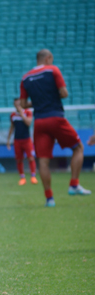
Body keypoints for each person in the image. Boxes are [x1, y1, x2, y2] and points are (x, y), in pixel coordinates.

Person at [20, 49, 90, 207]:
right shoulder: (53, 70)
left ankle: (49, 199)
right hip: (56, 118)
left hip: (39, 122)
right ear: (48, 58)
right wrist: (50, 97)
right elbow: (64, 93)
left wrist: (39, 101)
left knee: (43, 162)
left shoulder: (25, 78)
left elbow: (24, 104)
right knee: (78, 148)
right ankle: (74, 185)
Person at [6, 99, 37, 185]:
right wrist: (8, 140)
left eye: (19, 104)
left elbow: (28, 123)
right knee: (19, 159)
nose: (18, 106)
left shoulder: (27, 112)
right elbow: (12, 127)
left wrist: (21, 113)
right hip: (17, 140)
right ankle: (22, 177)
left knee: (30, 158)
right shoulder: (12, 115)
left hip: (27, 140)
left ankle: (33, 176)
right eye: (16, 104)